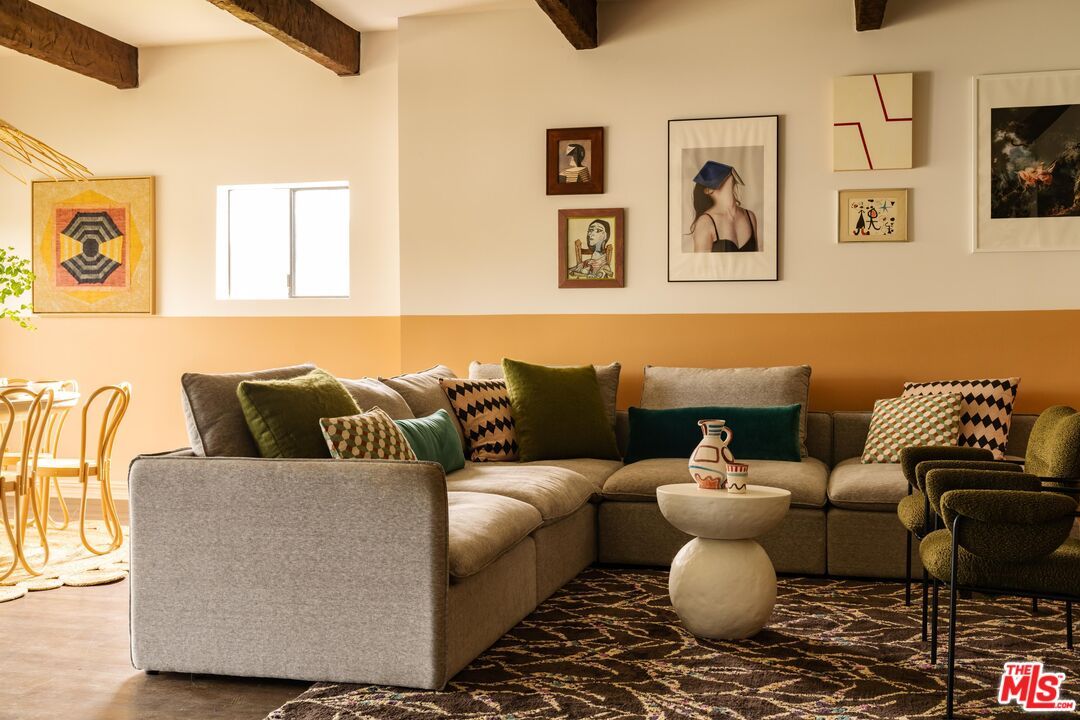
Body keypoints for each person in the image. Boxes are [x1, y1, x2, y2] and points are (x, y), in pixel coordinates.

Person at [688, 160, 759, 253]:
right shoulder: (705, 223)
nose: (726, 173)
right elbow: (701, 266)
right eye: (716, 173)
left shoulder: (750, 216)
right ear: (708, 190)